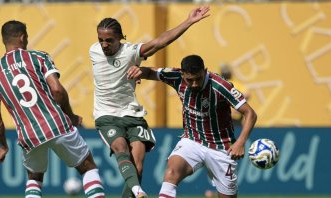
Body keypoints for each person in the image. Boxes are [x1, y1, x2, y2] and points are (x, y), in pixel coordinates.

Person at [88, 6, 210, 198]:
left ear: (120, 38)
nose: (104, 44)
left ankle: (134, 190)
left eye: (109, 40)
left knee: (138, 165)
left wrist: (188, 21)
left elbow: (160, 42)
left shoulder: (130, 52)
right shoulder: (94, 51)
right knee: (120, 147)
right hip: (106, 115)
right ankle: (137, 190)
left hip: (132, 114)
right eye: (101, 40)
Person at [0, 20, 105, 198]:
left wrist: (3, 145)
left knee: (34, 178)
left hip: (29, 135)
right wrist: (70, 115)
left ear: (4, 40)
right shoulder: (39, 57)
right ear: (23, 37)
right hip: (57, 125)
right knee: (87, 167)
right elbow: (56, 89)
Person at [127, 54, 258, 198]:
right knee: (171, 172)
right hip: (192, 140)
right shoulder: (176, 76)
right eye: (190, 80)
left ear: (205, 71)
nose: (194, 84)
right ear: (182, 74)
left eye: (198, 79)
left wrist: (240, 142)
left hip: (222, 148)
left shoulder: (221, 86)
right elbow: (153, 72)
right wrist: (138, 71)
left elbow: (250, 113)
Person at [220, 63, 251, 128]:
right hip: (235, 117)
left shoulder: (220, 84)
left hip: (223, 118)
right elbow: (247, 94)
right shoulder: (237, 85)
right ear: (230, 73)